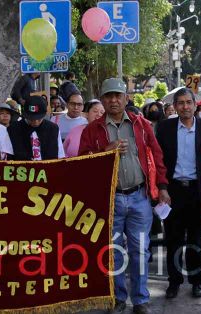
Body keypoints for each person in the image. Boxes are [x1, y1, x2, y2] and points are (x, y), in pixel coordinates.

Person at [79, 78, 170, 314]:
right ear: (102, 100)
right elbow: (82, 162)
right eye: (108, 96)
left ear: (126, 98)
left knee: (140, 251)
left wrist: (162, 187)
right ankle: (118, 297)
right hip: (110, 199)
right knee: (113, 251)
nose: (113, 100)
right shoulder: (92, 129)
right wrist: (104, 151)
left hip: (139, 197)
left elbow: (157, 157)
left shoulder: (141, 125)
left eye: (118, 95)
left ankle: (140, 299)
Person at [156, 87, 201, 300]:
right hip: (172, 192)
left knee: (197, 241)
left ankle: (197, 281)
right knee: (173, 240)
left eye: (188, 102)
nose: (185, 106)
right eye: (180, 103)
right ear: (175, 106)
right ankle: (174, 282)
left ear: (195, 104)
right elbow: (158, 161)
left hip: (198, 191)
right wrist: (162, 188)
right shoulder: (164, 128)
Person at [8, 95, 65, 161]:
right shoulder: (13, 129)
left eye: (39, 118)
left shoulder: (53, 129)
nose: (35, 122)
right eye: (31, 119)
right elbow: (9, 157)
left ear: (45, 114)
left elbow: (60, 155)